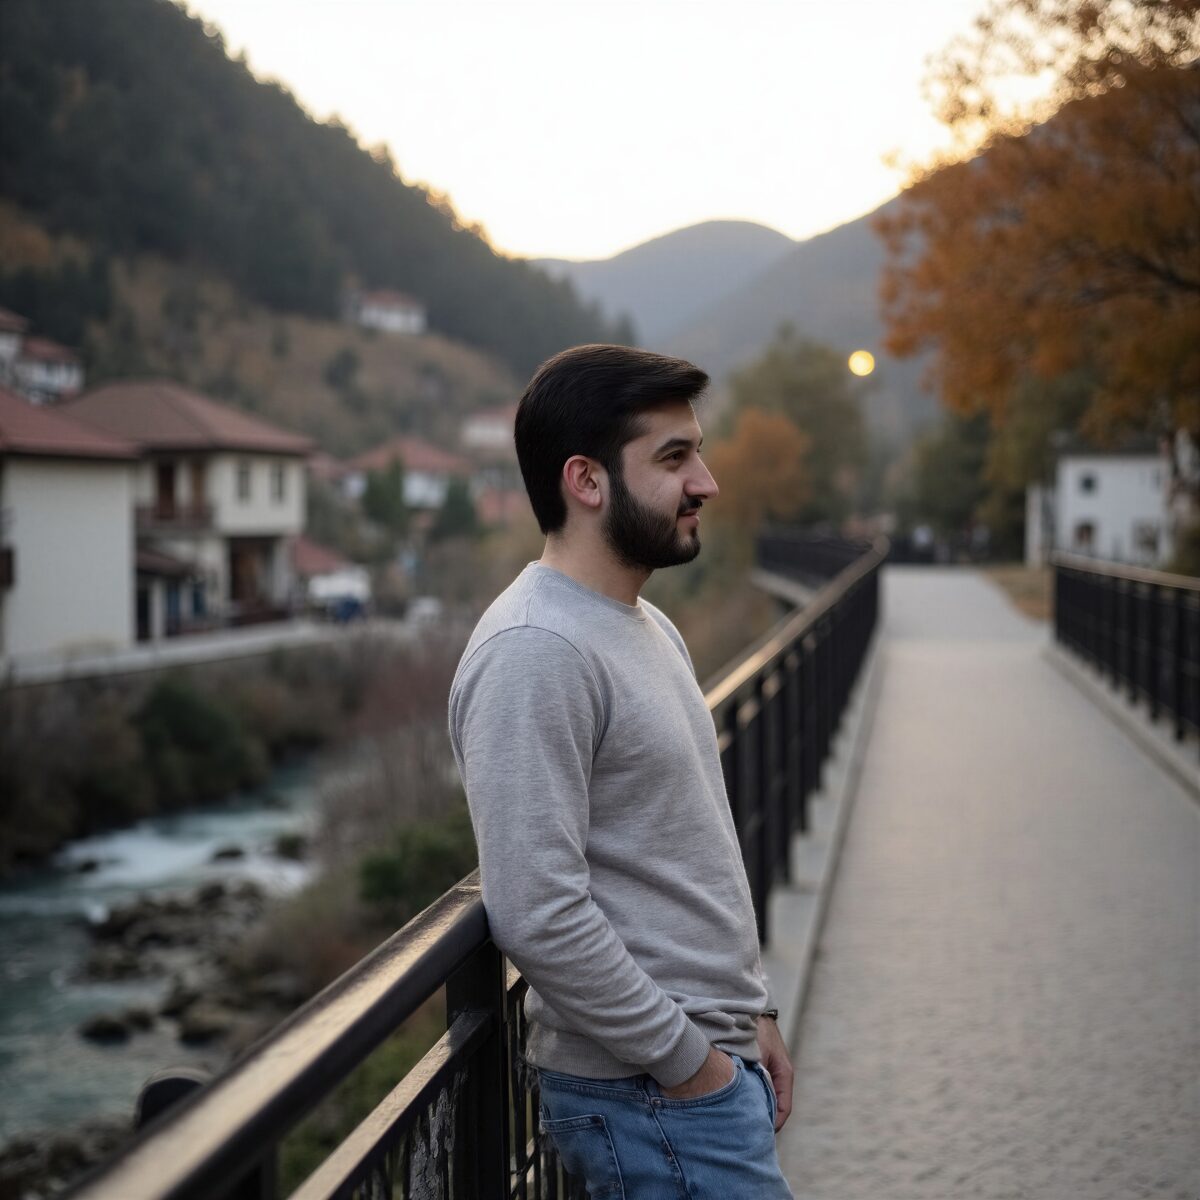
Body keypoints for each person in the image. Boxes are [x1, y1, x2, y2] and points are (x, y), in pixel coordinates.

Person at [448, 344, 794, 1198]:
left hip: (694, 1072)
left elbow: (690, 846)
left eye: (696, 452)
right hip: (649, 1093)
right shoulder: (535, 650)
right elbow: (536, 907)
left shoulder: (641, 624)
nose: (706, 481)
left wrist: (754, 1016)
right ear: (587, 481)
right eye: (674, 458)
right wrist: (694, 1067)